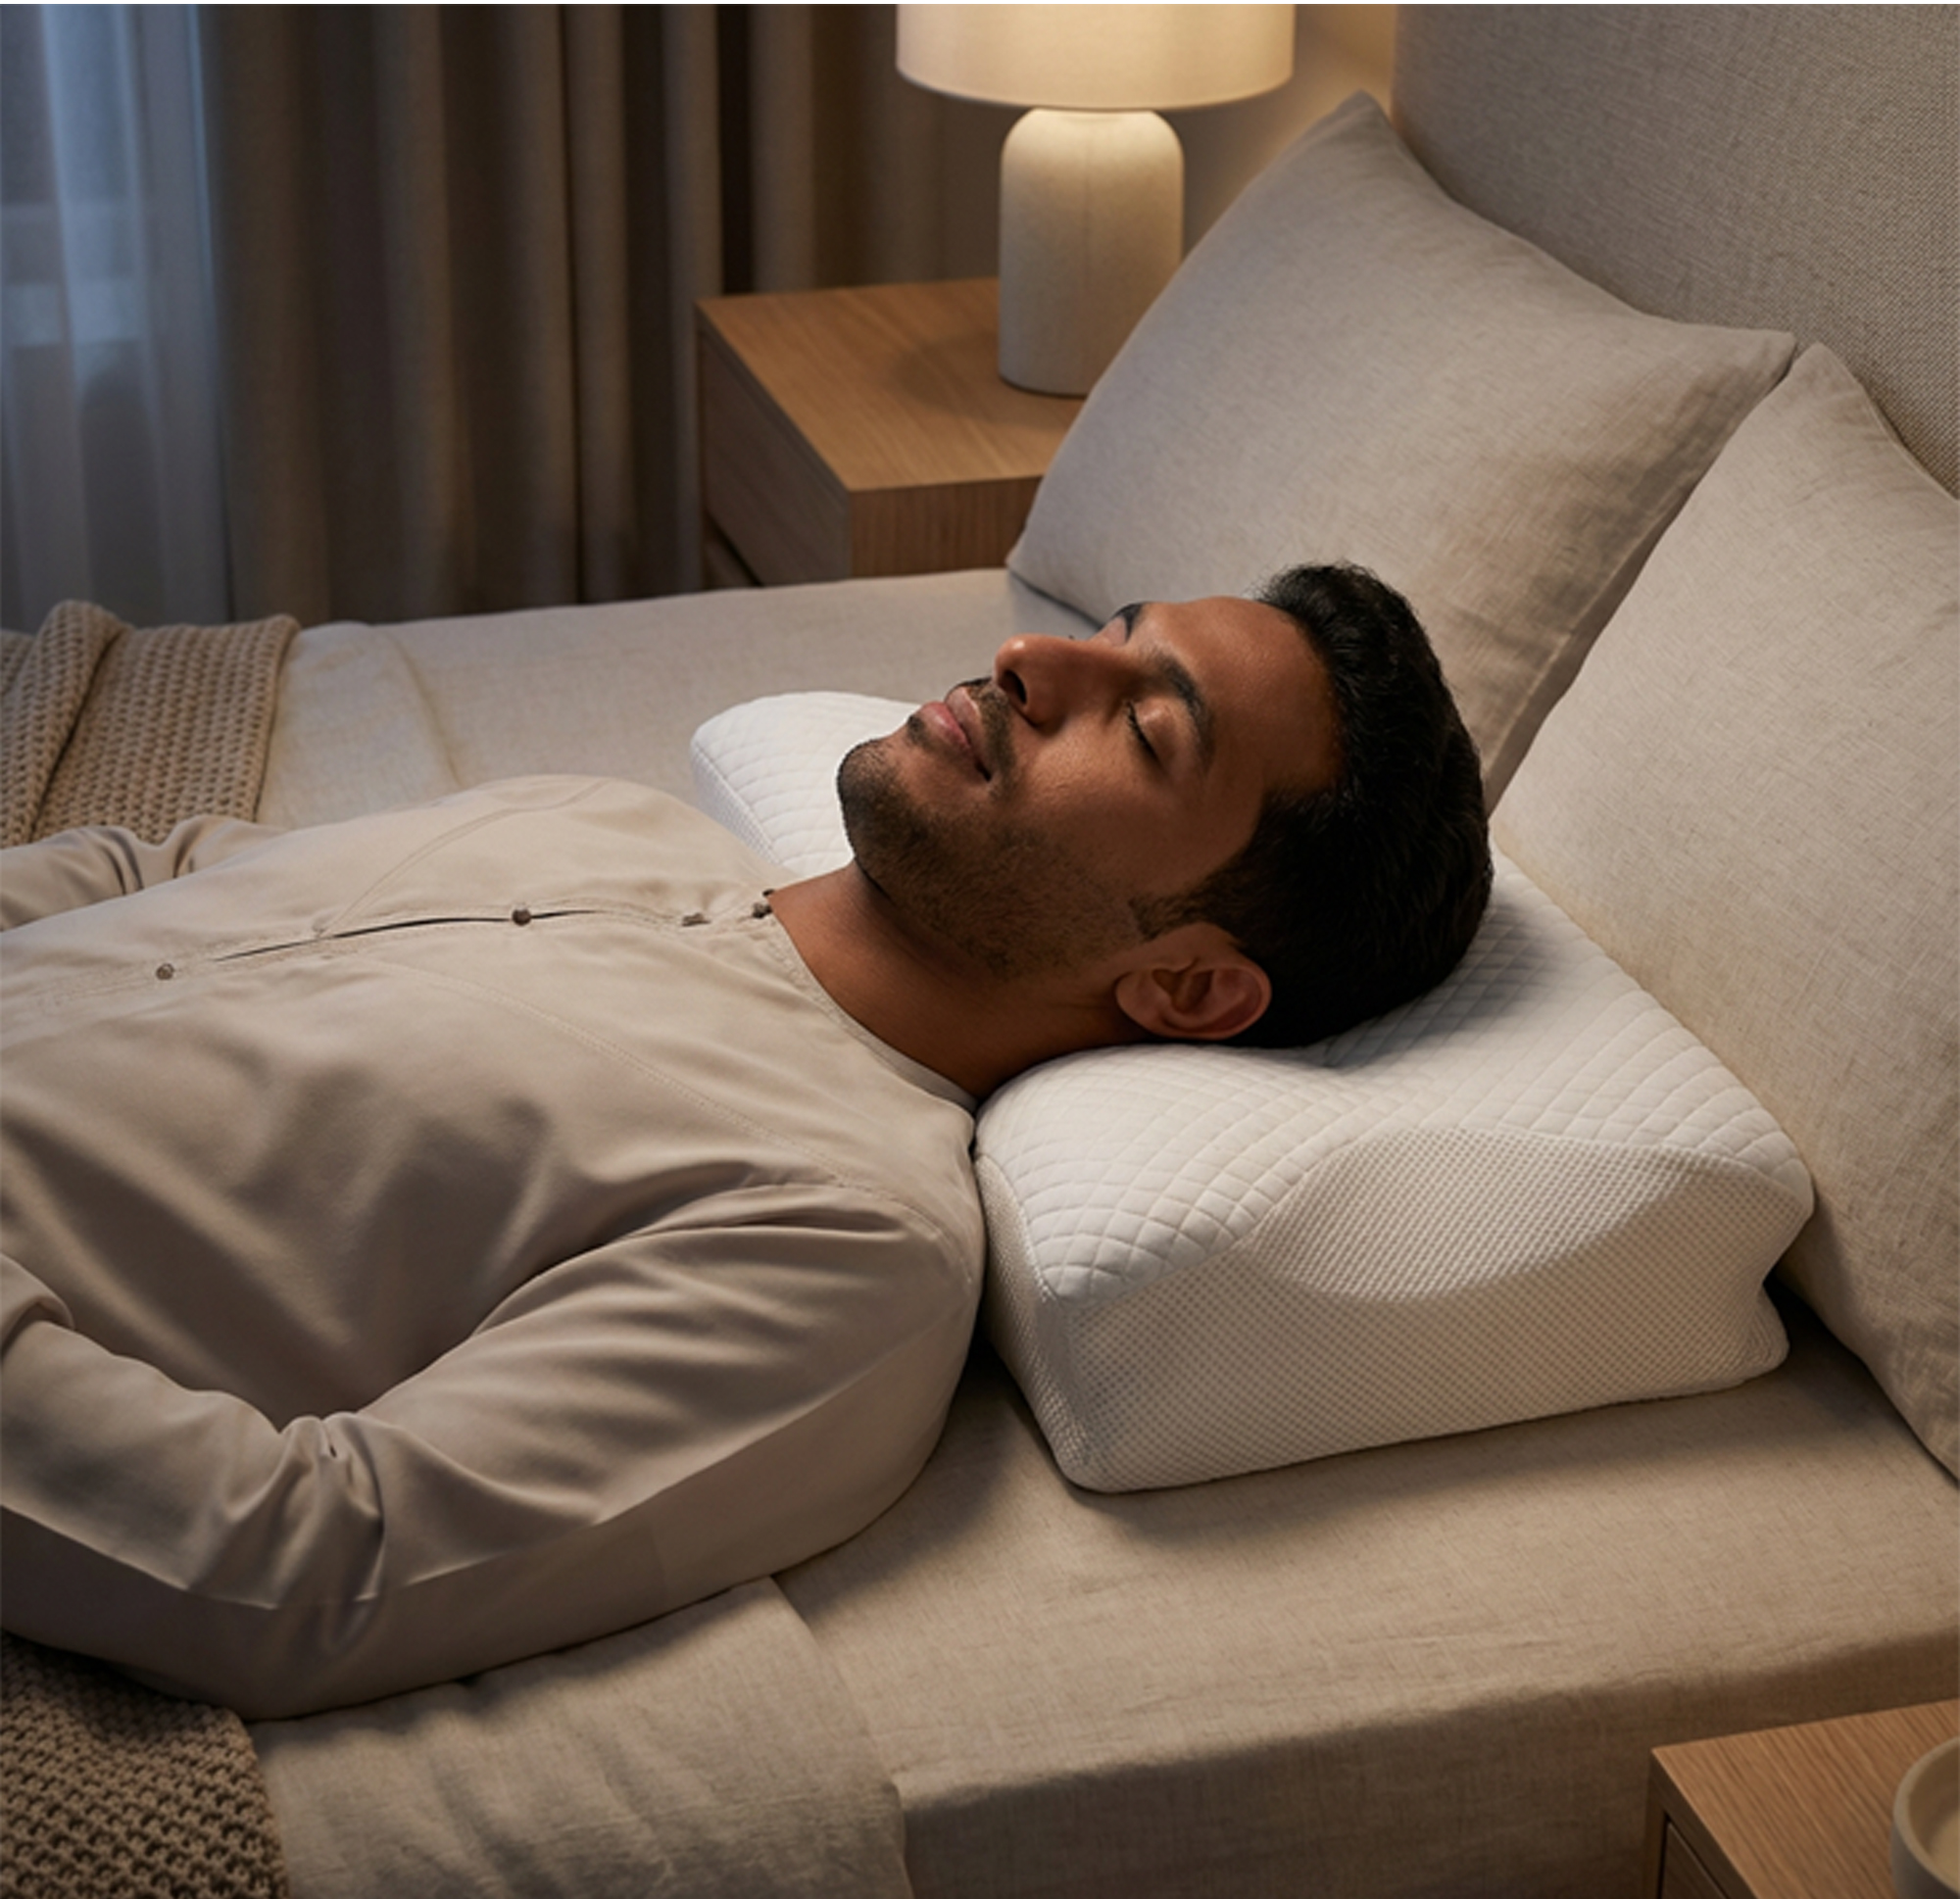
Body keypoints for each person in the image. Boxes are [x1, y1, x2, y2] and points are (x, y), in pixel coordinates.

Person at [0, 561, 1488, 1718]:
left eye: (1146, 727)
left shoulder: (849, 1241)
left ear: (1190, 986)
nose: (1031, 658)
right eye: (1107, 630)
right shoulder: (619, 821)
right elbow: (158, 868)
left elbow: (309, 1572)